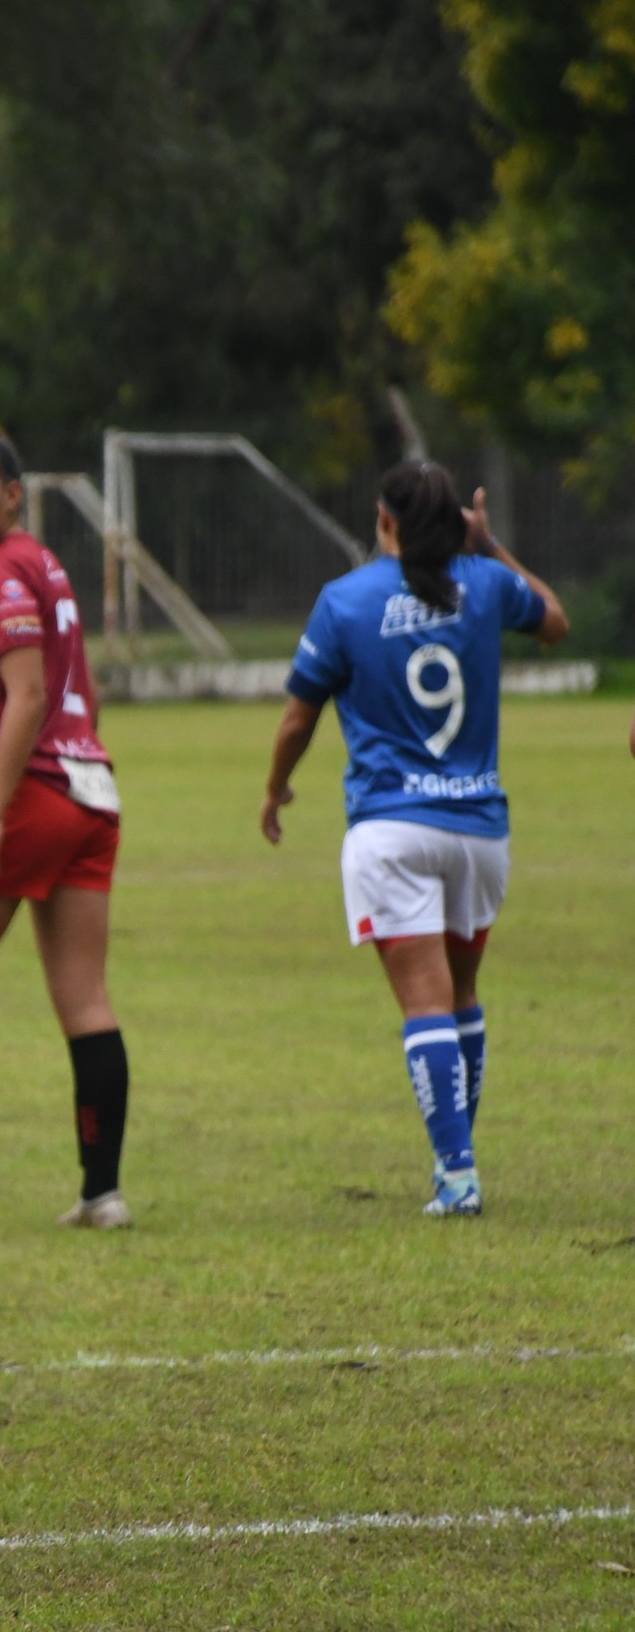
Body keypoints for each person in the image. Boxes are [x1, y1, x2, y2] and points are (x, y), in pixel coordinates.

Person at [261, 461, 568, 1215]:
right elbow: (554, 621)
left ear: (385, 520)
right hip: (478, 828)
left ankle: (457, 1176)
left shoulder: (345, 600)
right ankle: (454, 1162)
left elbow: (298, 717)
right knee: (461, 994)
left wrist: (274, 788)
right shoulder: (486, 583)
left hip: (390, 828)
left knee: (423, 1002)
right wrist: (491, 547)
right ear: (459, 523)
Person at [0, 425, 131, 1228]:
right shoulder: (42, 563)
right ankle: (100, 1193)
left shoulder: (0, 573)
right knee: (84, 999)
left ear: (13, 493)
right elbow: (78, 689)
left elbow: (28, 696)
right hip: (88, 793)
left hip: (24, 792)